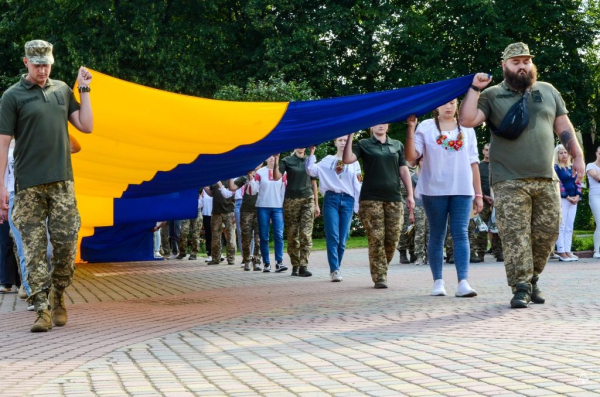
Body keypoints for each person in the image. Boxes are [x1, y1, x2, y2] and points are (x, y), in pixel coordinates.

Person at [459, 42, 584, 308]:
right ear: (505, 65)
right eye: (516, 62)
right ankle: (521, 286)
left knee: (548, 233)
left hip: (546, 178)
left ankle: (533, 277)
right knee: (515, 235)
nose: (522, 66)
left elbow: (563, 126)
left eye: (526, 61)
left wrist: (579, 155)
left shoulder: (548, 90)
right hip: (508, 180)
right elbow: (467, 120)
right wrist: (473, 89)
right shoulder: (492, 95)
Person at [0, 40, 94, 332]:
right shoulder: (11, 97)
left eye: (47, 64)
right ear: (26, 62)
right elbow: (2, 144)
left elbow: (87, 125)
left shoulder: (62, 90)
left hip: (62, 183)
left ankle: (58, 296)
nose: (42, 69)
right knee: (33, 249)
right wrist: (1, 186)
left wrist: (85, 90)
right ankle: (40, 309)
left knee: (66, 245)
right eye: (37, 64)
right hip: (28, 186)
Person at [405, 99, 481, 298]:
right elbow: (412, 156)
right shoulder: (426, 127)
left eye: (453, 103)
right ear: (437, 106)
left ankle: (463, 281)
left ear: (458, 105)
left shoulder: (467, 128)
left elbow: (474, 162)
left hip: (462, 189)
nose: (449, 106)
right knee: (437, 235)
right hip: (434, 189)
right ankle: (438, 281)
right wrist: (411, 129)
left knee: (460, 233)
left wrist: (478, 193)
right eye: (445, 103)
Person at [343, 124, 415, 289]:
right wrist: (350, 136)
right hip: (370, 199)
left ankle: (381, 267)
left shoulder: (397, 145)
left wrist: (410, 194)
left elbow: (403, 170)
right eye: (377, 122)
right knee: (376, 238)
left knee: (392, 238)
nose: (381, 125)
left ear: (388, 125)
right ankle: (380, 277)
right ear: (372, 126)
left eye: (384, 122)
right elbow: (347, 159)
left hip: (394, 198)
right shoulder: (364, 144)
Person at [305, 137, 362, 281]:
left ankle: (337, 265)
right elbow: (312, 171)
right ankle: (334, 270)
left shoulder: (354, 162)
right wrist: (312, 153)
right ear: (335, 142)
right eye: (340, 140)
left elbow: (358, 184)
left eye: (345, 140)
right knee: (333, 236)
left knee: (343, 239)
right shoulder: (327, 160)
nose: (343, 142)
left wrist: (358, 206)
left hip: (348, 200)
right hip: (331, 199)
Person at [273, 148, 320, 276]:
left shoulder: (310, 160)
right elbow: (276, 177)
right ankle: (295, 264)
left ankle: (303, 266)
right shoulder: (287, 160)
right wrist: (277, 159)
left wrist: (316, 204)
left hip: (308, 199)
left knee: (306, 233)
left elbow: (314, 182)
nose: (301, 147)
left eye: (303, 145)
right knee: (292, 235)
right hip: (291, 200)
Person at [249, 156, 286, 272]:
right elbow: (254, 190)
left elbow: (284, 190)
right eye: (269, 156)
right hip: (263, 207)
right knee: (264, 237)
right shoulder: (260, 172)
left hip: (278, 207)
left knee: (279, 235)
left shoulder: (282, 172)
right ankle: (266, 263)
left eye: (274, 156)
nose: (272, 159)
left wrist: (284, 206)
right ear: (265, 159)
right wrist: (251, 177)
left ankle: (279, 262)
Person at [470, 143, 504, 262]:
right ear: (483, 151)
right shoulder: (478, 166)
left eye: (491, 150)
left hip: (497, 201)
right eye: (486, 150)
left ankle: (498, 252)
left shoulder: (499, 166)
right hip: (482, 201)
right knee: (481, 228)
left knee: (498, 227)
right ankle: (480, 253)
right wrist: (483, 196)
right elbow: (473, 182)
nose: (488, 152)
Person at [229, 166, 262, 271]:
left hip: (260, 210)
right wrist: (229, 173)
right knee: (246, 237)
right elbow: (232, 187)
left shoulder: (262, 175)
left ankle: (257, 262)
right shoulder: (244, 177)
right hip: (246, 211)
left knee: (258, 238)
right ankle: (247, 260)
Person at [554, 144, 581, 262]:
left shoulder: (572, 167)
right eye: (561, 153)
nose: (564, 155)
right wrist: (567, 196)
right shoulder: (556, 168)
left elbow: (578, 181)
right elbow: (558, 183)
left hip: (574, 200)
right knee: (562, 225)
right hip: (562, 199)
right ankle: (561, 251)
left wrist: (577, 196)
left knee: (570, 226)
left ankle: (568, 250)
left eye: (565, 152)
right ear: (557, 154)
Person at [204, 181, 236, 265]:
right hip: (216, 213)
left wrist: (235, 213)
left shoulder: (231, 180)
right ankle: (215, 258)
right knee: (215, 236)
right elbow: (211, 193)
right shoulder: (214, 179)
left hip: (229, 212)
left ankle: (231, 258)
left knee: (230, 235)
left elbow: (236, 196)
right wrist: (204, 186)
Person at [409, 157, 429, 266]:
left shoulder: (432, 176)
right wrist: (411, 212)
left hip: (431, 207)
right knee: (420, 232)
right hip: (419, 206)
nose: (424, 162)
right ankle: (419, 256)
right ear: (418, 162)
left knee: (431, 233)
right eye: (421, 160)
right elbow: (411, 195)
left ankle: (430, 256)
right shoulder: (413, 177)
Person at [586, 147, 600, 259]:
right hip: (595, 196)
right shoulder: (590, 166)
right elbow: (597, 177)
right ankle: (596, 250)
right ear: (596, 153)